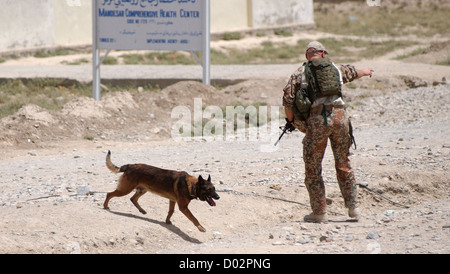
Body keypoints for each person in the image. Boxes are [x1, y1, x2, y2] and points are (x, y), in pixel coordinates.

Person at [282, 41, 374, 223]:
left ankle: (320, 212)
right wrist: (366, 71)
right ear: (323, 54)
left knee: (313, 167)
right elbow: (356, 72)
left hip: (317, 120)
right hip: (340, 118)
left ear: (308, 56)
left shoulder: (300, 73)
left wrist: (291, 121)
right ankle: (353, 208)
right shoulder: (336, 69)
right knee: (343, 163)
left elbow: (288, 100)